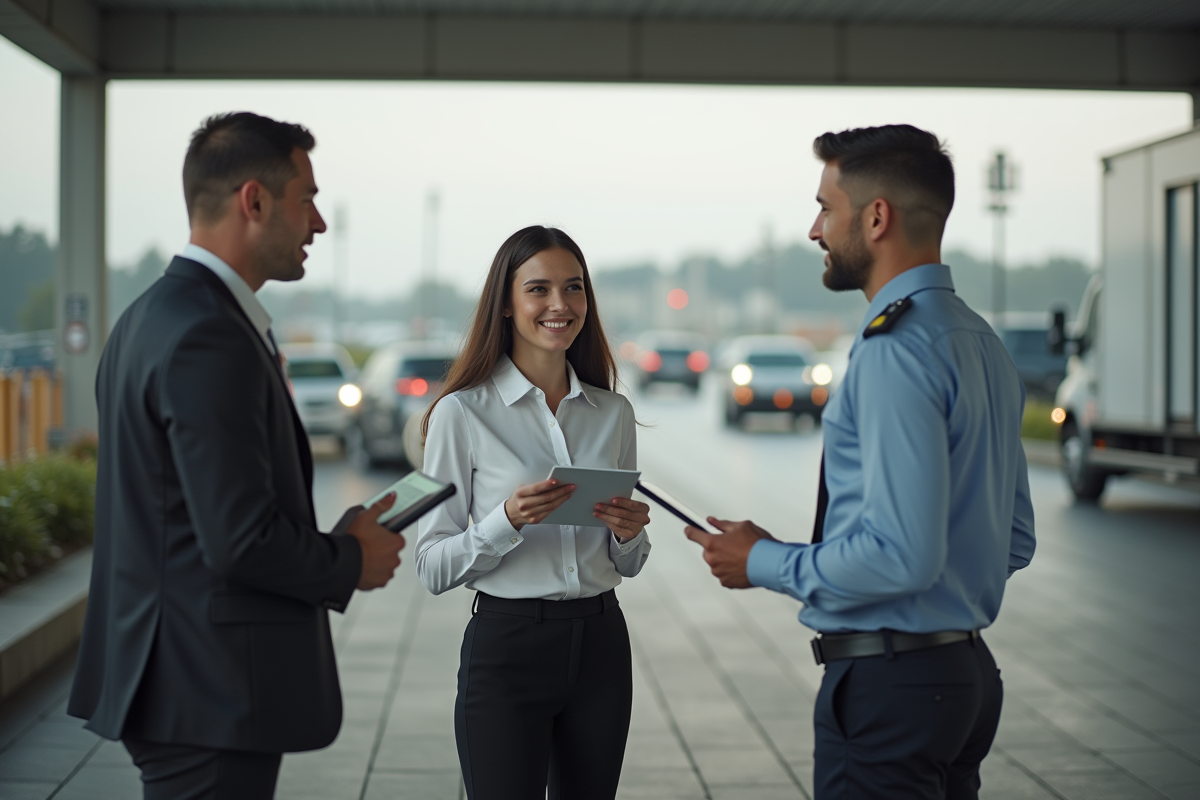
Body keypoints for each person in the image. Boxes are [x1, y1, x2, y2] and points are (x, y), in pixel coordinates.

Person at [684, 124, 1037, 799]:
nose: (815, 230)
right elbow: (1014, 539)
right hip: (963, 677)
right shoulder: (978, 340)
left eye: (825, 207)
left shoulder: (895, 349)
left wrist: (760, 561)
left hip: (892, 688)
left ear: (876, 218)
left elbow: (902, 556)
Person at [67, 112, 407, 800]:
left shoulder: (149, 317)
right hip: (206, 691)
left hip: (177, 680)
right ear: (255, 201)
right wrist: (350, 561)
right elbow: (239, 540)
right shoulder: (208, 335)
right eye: (307, 197)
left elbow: (190, 517)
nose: (319, 223)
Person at [415, 225, 653, 800]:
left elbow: (630, 562)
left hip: (600, 645)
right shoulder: (460, 414)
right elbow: (431, 566)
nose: (559, 305)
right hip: (507, 647)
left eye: (573, 289)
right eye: (538, 289)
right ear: (505, 304)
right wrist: (506, 521)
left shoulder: (611, 412)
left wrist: (627, 537)